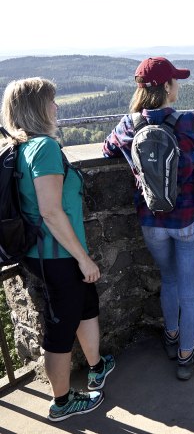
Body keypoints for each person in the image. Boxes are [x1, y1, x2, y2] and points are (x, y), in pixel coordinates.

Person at [1, 78, 115, 422]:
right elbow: (50, 210)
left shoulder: (19, 147)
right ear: (38, 108)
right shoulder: (44, 149)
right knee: (61, 327)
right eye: (52, 102)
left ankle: (96, 367)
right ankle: (62, 403)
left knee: (84, 307)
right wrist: (83, 258)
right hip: (57, 257)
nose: (57, 107)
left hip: (43, 254)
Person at [103, 57, 194, 380]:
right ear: (166, 87)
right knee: (189, 291)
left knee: (169, 279)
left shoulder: (129, 124)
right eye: (175, 81)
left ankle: (171, 337)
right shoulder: (187, 122)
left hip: (152, 222)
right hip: (189, 219)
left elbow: (107, 148)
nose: (177, 85)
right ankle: (186, 357)